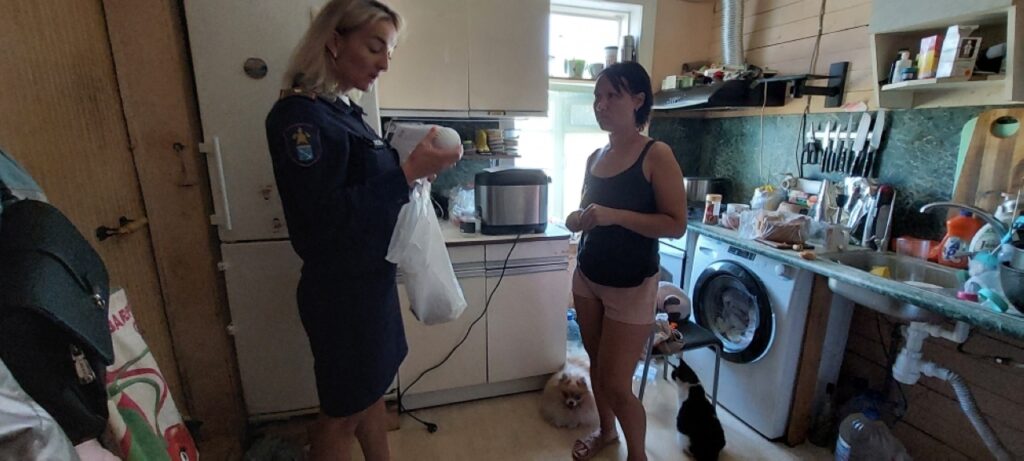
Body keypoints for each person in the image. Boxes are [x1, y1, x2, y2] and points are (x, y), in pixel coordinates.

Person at [264, 1, 461, 460]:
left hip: (370, 284)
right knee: (341, 416)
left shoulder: (343, 113)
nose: (384, 63)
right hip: (341, 293)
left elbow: (368, 187)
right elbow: (324, 219)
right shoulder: (300, 119)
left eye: (388, 51)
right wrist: (407, 173)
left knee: (372, 395)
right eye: (375, 48)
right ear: (334, 41)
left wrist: (411, 171)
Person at [565, 62, 687, 461]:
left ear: (637, 100)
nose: (600, 105)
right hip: (588, 276)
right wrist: (577, 219)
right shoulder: (594, 157)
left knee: (617, 384)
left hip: (632, 285)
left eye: (611, 96)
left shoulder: (656, 154)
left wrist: (614, 216)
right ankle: (606, 433)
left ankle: (639, 455)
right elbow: (590, 212)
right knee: (597, 365)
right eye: (597, 97)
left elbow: (676, 224)